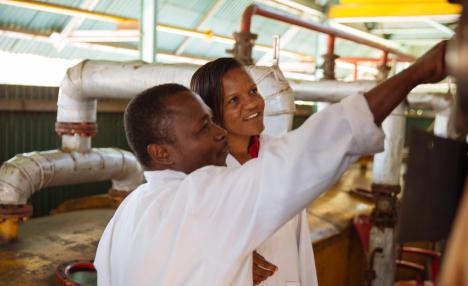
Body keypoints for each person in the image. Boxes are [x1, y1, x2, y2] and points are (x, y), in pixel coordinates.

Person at [94, 42, 447, 286]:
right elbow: (311, 150)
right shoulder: (209, 195)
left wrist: (224, 265)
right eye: (206, 125)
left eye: (252, 91)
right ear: (162, 153)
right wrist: (417, 72)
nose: (218, 132)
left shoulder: (127, 216)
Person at [190, 58, 316, 286]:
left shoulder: (282, 157)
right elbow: (185, 247)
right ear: (211, 113)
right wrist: (228, 261)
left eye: (253, 91)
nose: (252, 104)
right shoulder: (200, 173)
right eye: (234, 100)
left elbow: (301, 241)